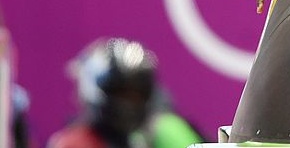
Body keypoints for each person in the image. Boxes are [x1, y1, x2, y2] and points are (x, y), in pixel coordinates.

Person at [47, 38, 204, 148]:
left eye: (136, 96)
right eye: (121, 94)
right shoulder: (74, 144)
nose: (128, 105)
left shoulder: (164, 130)